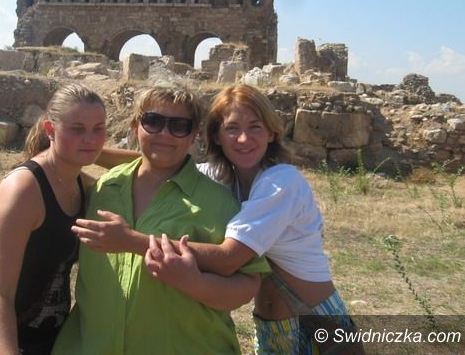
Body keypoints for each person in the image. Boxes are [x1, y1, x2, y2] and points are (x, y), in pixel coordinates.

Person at [76, 84, 356, 354]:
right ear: (217, 136)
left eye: (255, 127)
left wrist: (131, 241)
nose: (243, 139)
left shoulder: (281, 183)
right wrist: (84, 151)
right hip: (270, 327)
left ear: (272, 133)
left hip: (316, 321)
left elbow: (229, 258)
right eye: (232, 128)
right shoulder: (223, 177)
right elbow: (157, 157)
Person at [51, 85, 269, 355]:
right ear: (135, 126)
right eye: (153, 121)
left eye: (179, 126)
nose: (164, 133)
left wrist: (192, 281)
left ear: (194, 135)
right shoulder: (104, 187)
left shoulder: (219, 203)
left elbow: (247, 286)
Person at [0, 84, 107, 355]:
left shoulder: (80, 182)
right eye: (77, 129)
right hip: (1, 339)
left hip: (50, 337)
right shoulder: (24, 189)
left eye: (99, 128)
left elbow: (148, 164)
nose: (90, 138)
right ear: (50, 129)